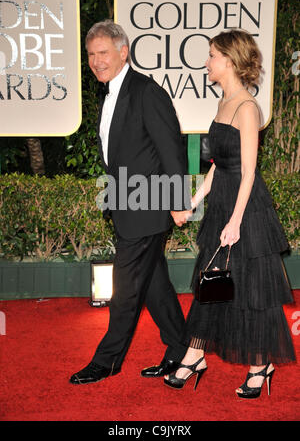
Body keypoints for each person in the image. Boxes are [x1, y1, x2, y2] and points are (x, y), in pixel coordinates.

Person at [164, 29, 296, 398]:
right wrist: (194, 200)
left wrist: (235, 221)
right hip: (223, 201)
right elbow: (219, 165)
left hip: (246, 210)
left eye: (212, 55)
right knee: (213, 283)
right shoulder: (224, 102)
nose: (207, 62)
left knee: (252, 288)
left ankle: (260, 364)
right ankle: (196, 353)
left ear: (231, 60)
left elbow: (249, 171)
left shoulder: (247, 108)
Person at [70, 20, 192, 385]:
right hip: (126, 204)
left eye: (103, 52)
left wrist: (176, 202)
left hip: (148, 206)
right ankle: (183, 349)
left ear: (124, 52)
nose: (96, 61)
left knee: (124, 287)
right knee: (154, 285)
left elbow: (172, 151)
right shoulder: (110, 93)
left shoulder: (145, 92)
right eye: (91, 55)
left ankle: (107, 361)